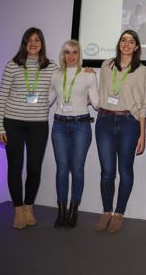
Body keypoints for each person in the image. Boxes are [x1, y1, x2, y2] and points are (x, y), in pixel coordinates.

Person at [0, 27, 58, 229]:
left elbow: (65, 81)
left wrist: (87, 70)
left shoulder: (51, 66)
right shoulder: (12, 65)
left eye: (37, 40)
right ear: (24, 43)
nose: (33, 43)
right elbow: (2, 97)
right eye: (29, 40)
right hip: (12, 123)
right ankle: (18, 209)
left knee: (34, 168)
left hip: (38, 124)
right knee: (15, 167)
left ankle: (29, 206)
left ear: (42, 43)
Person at [94, 30, 146, 234]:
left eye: (131, 41)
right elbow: (99, 92)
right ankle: (106, 211)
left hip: (129, 122)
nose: (126, 44)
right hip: (105, 121)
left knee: (125, 171)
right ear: (119, 44)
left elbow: (143, 103)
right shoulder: (106, 65)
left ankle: (119, 213)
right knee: (107, 172)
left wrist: (142, 134)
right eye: (123, 40)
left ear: (136, 47)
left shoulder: (142, 70)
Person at [49, 40, 99, 228]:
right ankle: (61, 212)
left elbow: (96, 103)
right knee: (62, 169)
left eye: (75, 52)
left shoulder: (88, 75)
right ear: (62, 55)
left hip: (81, 126)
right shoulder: (55, 75)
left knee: (77, 169)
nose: (71, 56)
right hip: (60, 126)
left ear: (80, 55)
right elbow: (47, 100)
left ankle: (73, 210)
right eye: (67, 52)